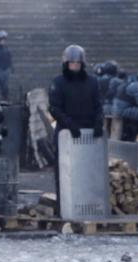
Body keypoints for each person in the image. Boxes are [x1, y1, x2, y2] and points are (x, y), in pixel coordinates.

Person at [48, 44, 103, 212]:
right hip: (67, 132)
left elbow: (98, 105)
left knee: (90, 171)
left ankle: (90, 205)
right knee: (65, 172)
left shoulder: (92, 82)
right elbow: (55, 108)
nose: (75, 67)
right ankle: (63, 207)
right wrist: (69, 124)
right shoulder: (58, 83)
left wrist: (98, 123)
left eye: (78, 64)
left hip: (88, 132)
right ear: (66, 64)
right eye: (72, 64)